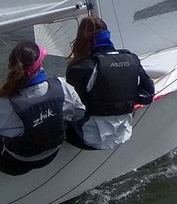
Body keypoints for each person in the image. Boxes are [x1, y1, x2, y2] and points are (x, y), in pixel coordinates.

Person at [0, 41, 85, 175]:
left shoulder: (4, 103)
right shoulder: (62, 86)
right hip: (52, 153)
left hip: (18, 164)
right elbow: (79, 112)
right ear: (40, 65)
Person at [64, 15, 155, 150]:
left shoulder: (80, 67)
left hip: (89, 138)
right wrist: (123, 98)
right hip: (123, 132)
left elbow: (71, 106)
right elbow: (148, 95)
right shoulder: (132, 59)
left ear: (81, 38)